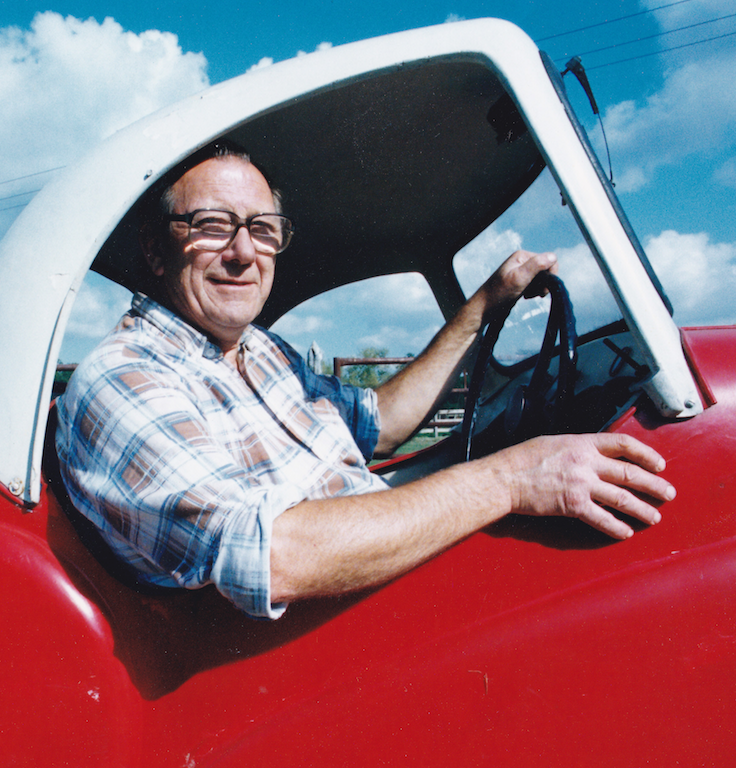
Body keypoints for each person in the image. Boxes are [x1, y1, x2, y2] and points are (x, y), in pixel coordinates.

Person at [56, 141, 676, 619]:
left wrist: (484, 305)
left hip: (383, 603)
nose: (244, 253)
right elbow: (271, 555)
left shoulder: (261, 351)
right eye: (214, 225)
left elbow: (381, 423)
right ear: (158, 250)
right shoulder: (123, 379)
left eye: (263, 229)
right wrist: (512, 477)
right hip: (322, 656)